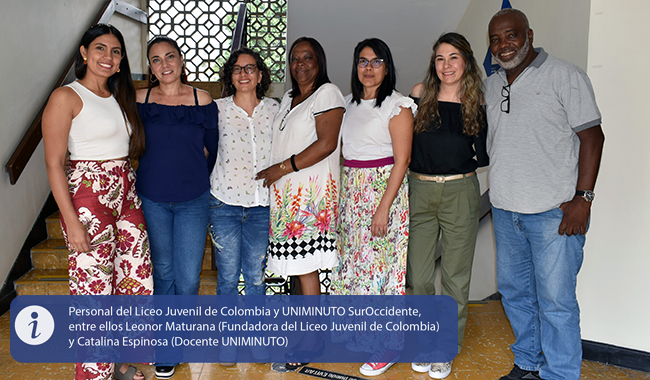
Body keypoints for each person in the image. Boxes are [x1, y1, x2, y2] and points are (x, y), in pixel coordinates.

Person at [485, 9, 604, 380]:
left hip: (554, 213)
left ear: (529, 35)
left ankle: (561, 374)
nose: (504, 45)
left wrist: (583, 199)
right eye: (496, 39)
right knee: (516, 295)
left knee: (556, 303)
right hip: (505, 212)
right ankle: (528, 364)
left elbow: (593, 137)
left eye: (511, 35)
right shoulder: (492, 84)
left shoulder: (565, 76)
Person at [42, 24, 152, 380]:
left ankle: (119, 363)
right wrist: (71, 222)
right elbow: (54, 164)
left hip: (126, 192)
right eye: (101, 48)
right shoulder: (66, 97)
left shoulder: (121, 97)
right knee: (94, 293)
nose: (109, 56)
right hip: (90, 195)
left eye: (116, 51)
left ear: (121, 62)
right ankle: (93, 374)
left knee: (135, 280)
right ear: (85, 53)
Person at [256, 36, 345, 370]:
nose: (300, 64)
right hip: (286, 198)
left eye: (307, 57)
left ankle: (312, 340)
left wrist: (280, 168)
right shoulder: (291, 97)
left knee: (306, 268)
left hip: (310, 198)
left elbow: (326, 144)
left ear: (319, 61)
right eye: (294, 58)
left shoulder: (327, 93)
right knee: (296, 269)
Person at [330, 38, 414, 377]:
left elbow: (403, 160)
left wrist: (383, 209)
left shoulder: (399, 105)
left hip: (382, 192)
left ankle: (388, 347)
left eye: (376, 61)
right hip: (351, 192)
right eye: (362, 61)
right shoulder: (347, 104)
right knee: (356, 268)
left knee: (383, 269)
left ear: (387, 66)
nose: (368, 68)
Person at [135, 36, 219, 379]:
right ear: (151, 68)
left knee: (187, 277)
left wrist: (192, 177)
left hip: (193, 201)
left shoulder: (203, 99)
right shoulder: (139, 99)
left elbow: (211, 150)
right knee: (163, 272)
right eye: (156, 60)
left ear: (181, 60)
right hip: (153, 197)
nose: (164, 64)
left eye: (170, 56)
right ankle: (167, 346)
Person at [407, 32, 488, 379]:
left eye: (453, 57)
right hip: (420, 192)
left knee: (455, 277)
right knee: (419, 275)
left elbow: (483, 153)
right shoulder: (418, 95)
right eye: (440, 58)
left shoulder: (476, 102)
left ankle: (444, 348)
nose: (446, 65)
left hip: (460, 192)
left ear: (466, 61)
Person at [209, 48, 279, 296]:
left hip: (262, 206)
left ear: (260, 75)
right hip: (223, 206)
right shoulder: (215, 109)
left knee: (256, 278)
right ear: (230, 76)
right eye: (237, 69)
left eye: (250, 68)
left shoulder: (275, 110)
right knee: (227, 278)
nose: (243, 73)